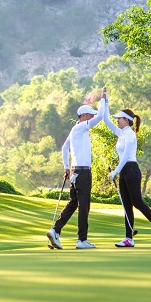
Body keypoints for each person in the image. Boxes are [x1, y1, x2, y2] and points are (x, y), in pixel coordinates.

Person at [46, 93, 107, 249]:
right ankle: (82, 240)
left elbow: (64, 148)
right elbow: (100, 117)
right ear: (84, 115)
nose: (92, 118)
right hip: (83, 172)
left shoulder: (75, 130)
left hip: (75, 171)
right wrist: (103, 99)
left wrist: (67, 167)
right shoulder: (81, 127)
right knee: (84, 206)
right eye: (90, 115)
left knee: (73, 203)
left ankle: (55, 230)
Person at [104, 108, 151, 247]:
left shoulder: (130, 134)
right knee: (126, 206)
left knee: (137, 202)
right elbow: (106, 120)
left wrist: (115, 171)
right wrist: (104, 101)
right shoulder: (121, 133)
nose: (117, 121)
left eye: (119, 119)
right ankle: (128, 239)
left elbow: (126, 155)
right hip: (124, 172)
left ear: (126, 120)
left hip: (131, 170)